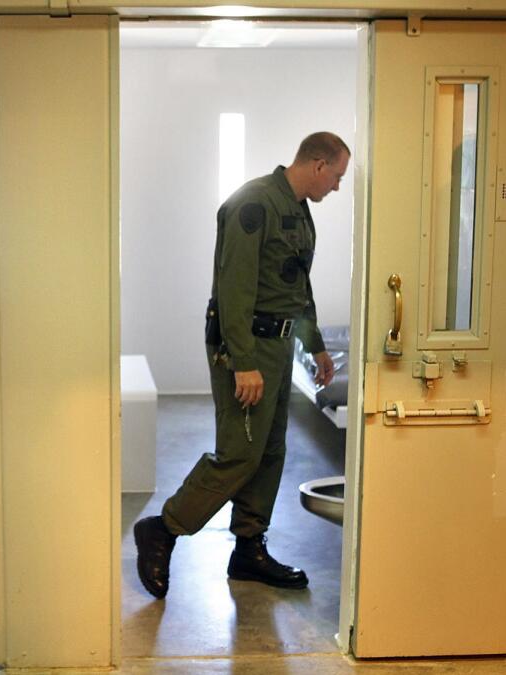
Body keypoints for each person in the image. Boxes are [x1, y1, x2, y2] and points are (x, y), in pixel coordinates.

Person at [134, 131, 350, 599]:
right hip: (245, 345)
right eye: (336, 177)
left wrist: (314, 346)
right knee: (240, 452)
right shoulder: (253, 204)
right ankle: (163, 528)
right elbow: (232, 289)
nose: (336, 188)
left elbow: (297, 285)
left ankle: (249, 547)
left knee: (270, 451)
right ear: (317, 164)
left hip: (277, 346)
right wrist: (242, 363)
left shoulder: (297, 210)